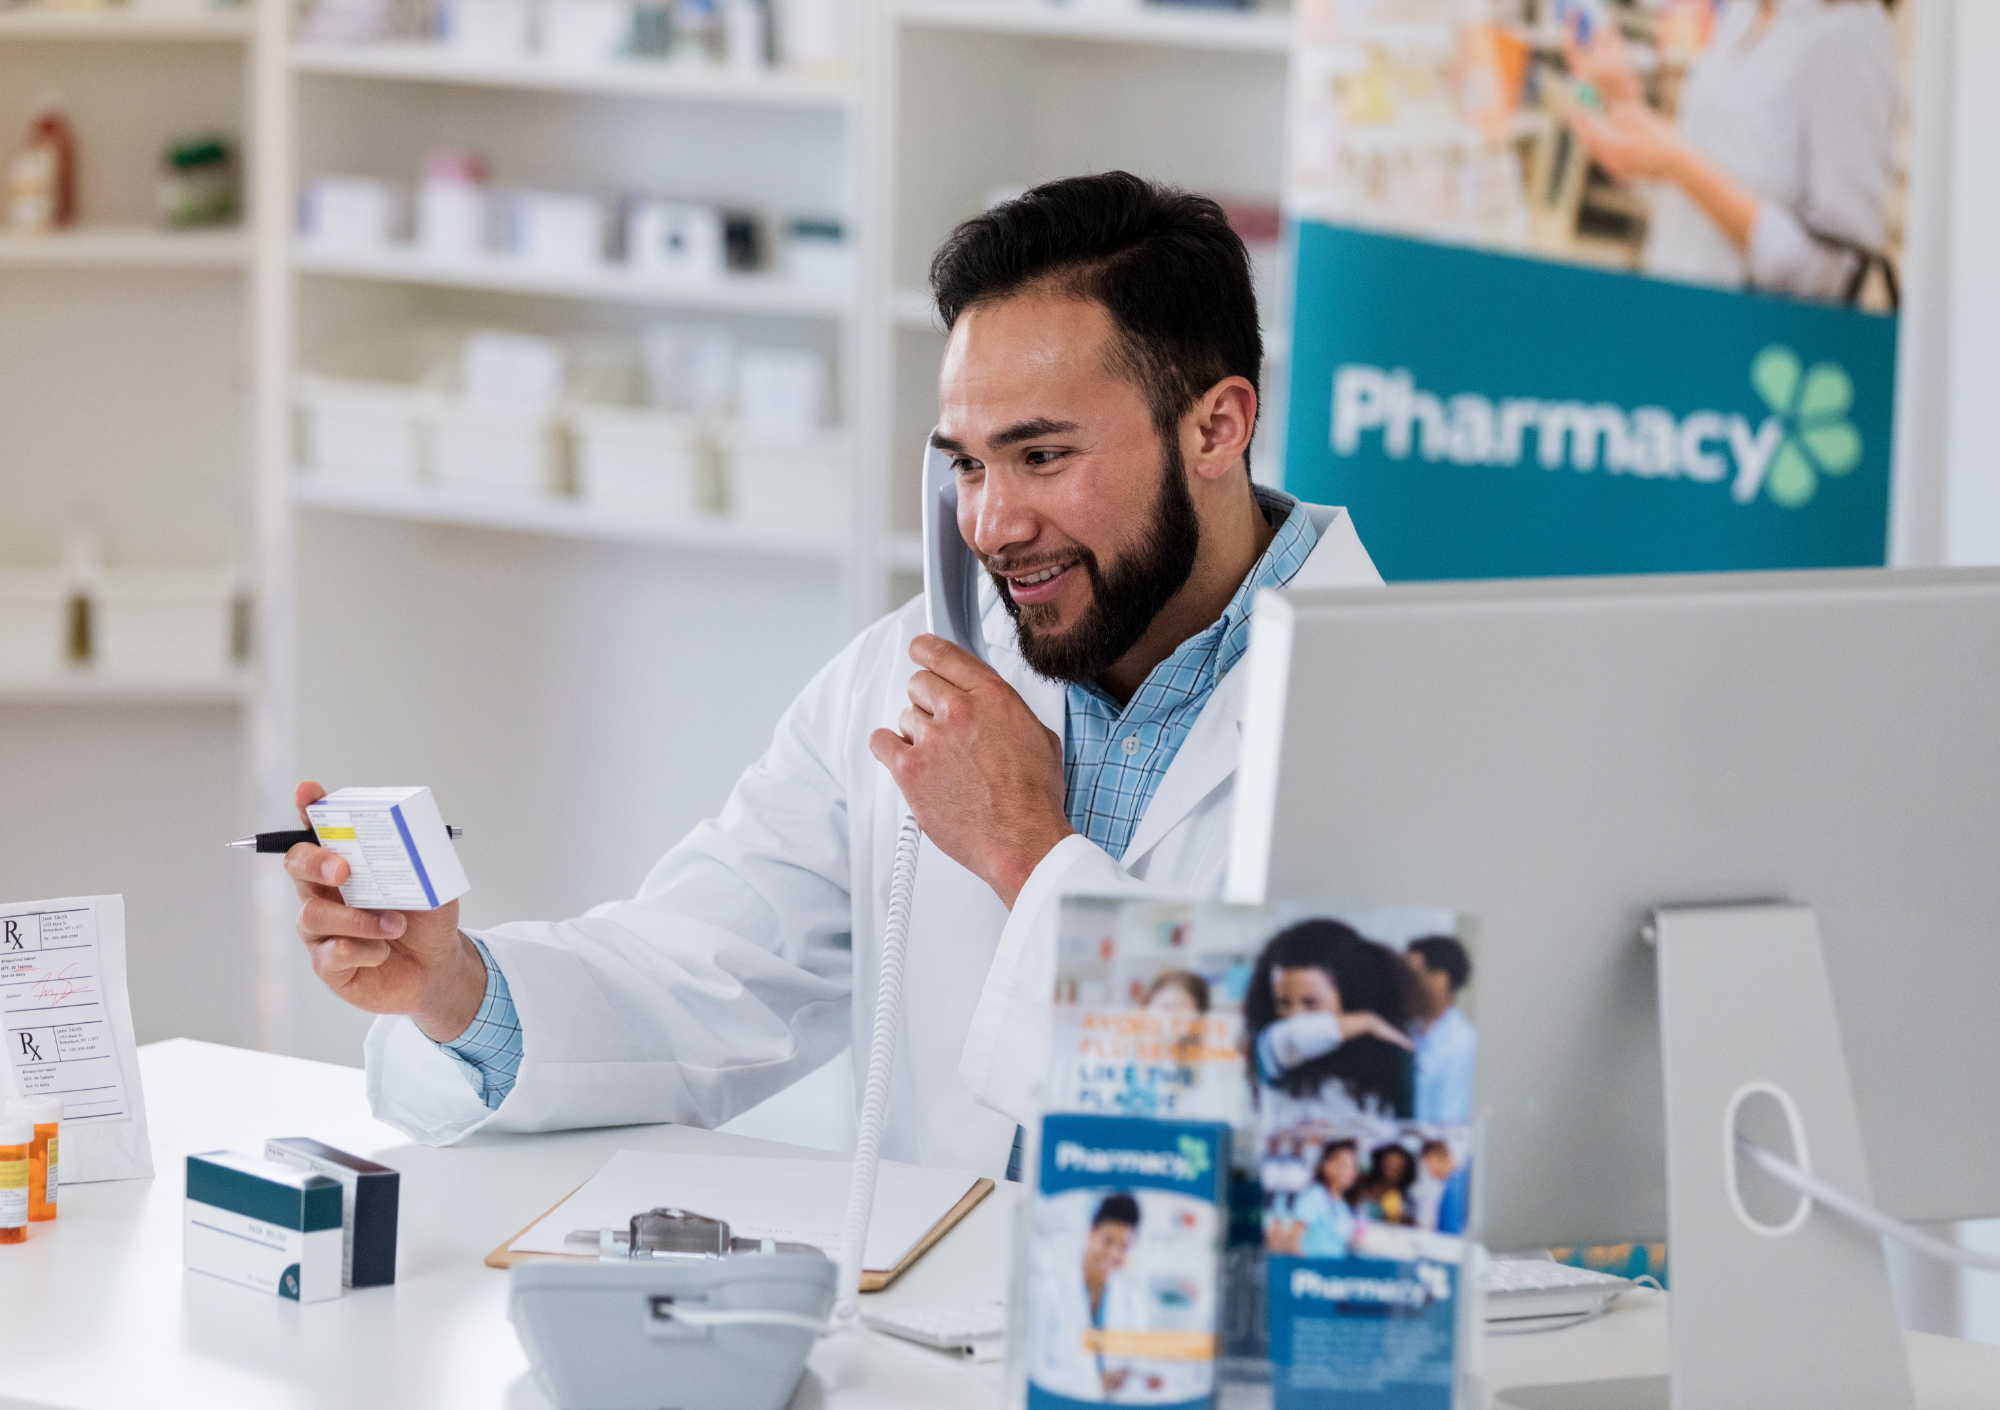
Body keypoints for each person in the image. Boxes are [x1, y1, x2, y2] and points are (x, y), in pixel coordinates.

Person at [281, 172, 1383, 1172]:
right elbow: (704, 976)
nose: (991, 526)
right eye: (965, 463)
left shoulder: (1402, 714)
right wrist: (458, 988)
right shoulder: (904, 676)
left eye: (1043, 456)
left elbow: (1329, 1134)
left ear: (1216, 426)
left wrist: (1024, 855)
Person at [1565, 0, 1900, 302]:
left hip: (1749, 345)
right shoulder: (1746, 13)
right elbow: (1716, 174)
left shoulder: (1851, 34)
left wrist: (1677, 163)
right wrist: (1627, 109)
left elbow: (1834, 272)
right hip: (1672, 308)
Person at [1243, 920, 1416, 1129]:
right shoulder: (1271, 1047)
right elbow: (1292, 1037)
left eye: (1311, 1003)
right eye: (1283, 1003)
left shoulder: (1386, 1060)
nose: (1295, 1017)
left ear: (1350, 995)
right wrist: (1368, 1022)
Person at [1030, 1192, 1144, 1401]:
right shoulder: (1050, 1293)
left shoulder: (1129, 1302)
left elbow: (1134, 1370)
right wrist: (1095, 1384)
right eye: (1108, 1241)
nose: (1114, 1253)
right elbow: (1036, 1372)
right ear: (1091, 1233)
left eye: (1123, 1247)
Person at [1405, 935, 1475, 1126]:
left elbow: (1449, 1124)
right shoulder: (1408, 1029)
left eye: (1413, 976)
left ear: (1441, 980)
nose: (1405, 985)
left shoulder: (1461, 1042)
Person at [1270, 1139, 1360, 1259]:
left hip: (1334, 1274)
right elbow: (1294, 1238)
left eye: (1352, 1166)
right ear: (1327, 1166)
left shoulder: (1343, 1205)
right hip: (1313, 1273)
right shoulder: (1315, 1196)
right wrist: (1306, 1269)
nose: (1348, 1172)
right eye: (1343, 1165)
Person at [1359, 1142, 1417, 1227]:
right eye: (1389, 1164)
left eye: (1398, 1167)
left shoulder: (1406, 1202)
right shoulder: (1361, 1190)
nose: (1392, 1170)